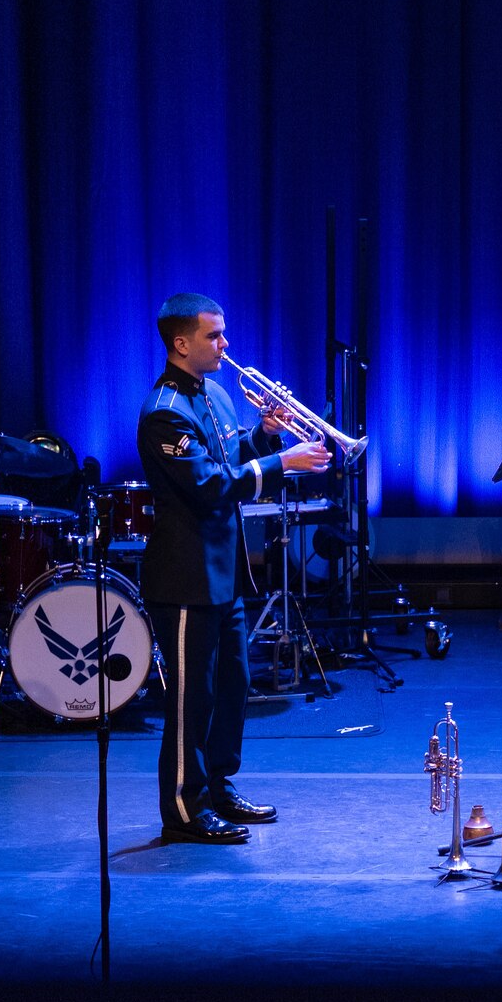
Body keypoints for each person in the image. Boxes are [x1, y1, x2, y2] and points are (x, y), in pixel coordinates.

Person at [139, 294, 330, 843]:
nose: (225, 346)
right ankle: (184, 810)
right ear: (181, 344)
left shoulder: (217, 394)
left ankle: (217, 788)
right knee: (189, 699)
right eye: (213, 337)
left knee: (231, 688)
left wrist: (265, 435)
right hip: (184, 578)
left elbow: (230, 455)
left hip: (224, 572)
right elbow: (209, 487)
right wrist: (280, 462)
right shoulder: (164, 413)